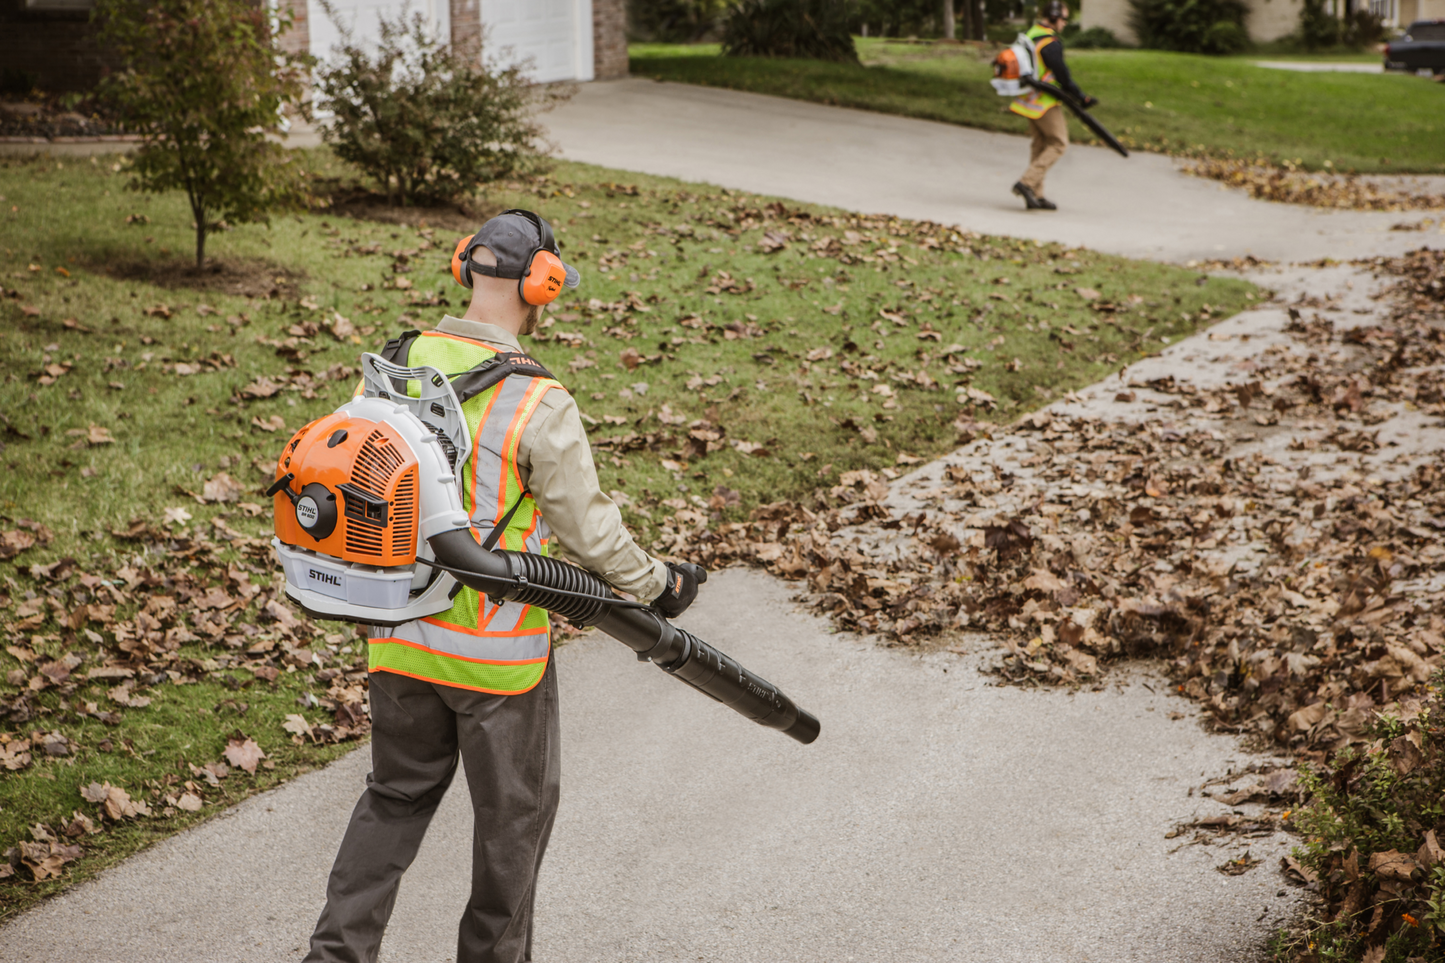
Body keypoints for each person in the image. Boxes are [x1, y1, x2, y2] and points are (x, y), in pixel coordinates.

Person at [303, 209, 703, 963]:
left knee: (393, 798)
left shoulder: (395, 362)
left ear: (465, 268)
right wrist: (659, 585)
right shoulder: (535, 400)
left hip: (399, 637)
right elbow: (590, 534)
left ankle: (333, 956)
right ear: (542, 286)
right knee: (512, 823)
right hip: (497, 657)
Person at [1010, 0, 1097, 211]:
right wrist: (1081, 97)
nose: (1065, 23)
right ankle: (1026, 183)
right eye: (1064, 19)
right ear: (1055, 18)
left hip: (1028, 98)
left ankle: (1036, 195)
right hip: (1044, 102)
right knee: (1059, 143)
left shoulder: (1031, 34)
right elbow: (1063, 76)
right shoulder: (1050, 43)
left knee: (1040, 145)